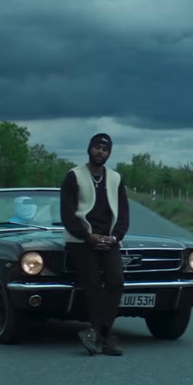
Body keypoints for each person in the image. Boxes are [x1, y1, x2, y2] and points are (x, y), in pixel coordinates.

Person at [60, 132, 130, 356]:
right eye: (97, 147)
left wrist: (115, 237)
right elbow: (68, 215)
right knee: (92, 282)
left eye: (105, 149)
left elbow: (123, 214)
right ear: (89, 149)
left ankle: (99, 332)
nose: (100, 152)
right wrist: (87, 236)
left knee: (116, 280)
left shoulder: (116, 178)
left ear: (109, 153)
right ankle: (105, 336)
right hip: (81, 239)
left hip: (109, 239)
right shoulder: (74, 176)